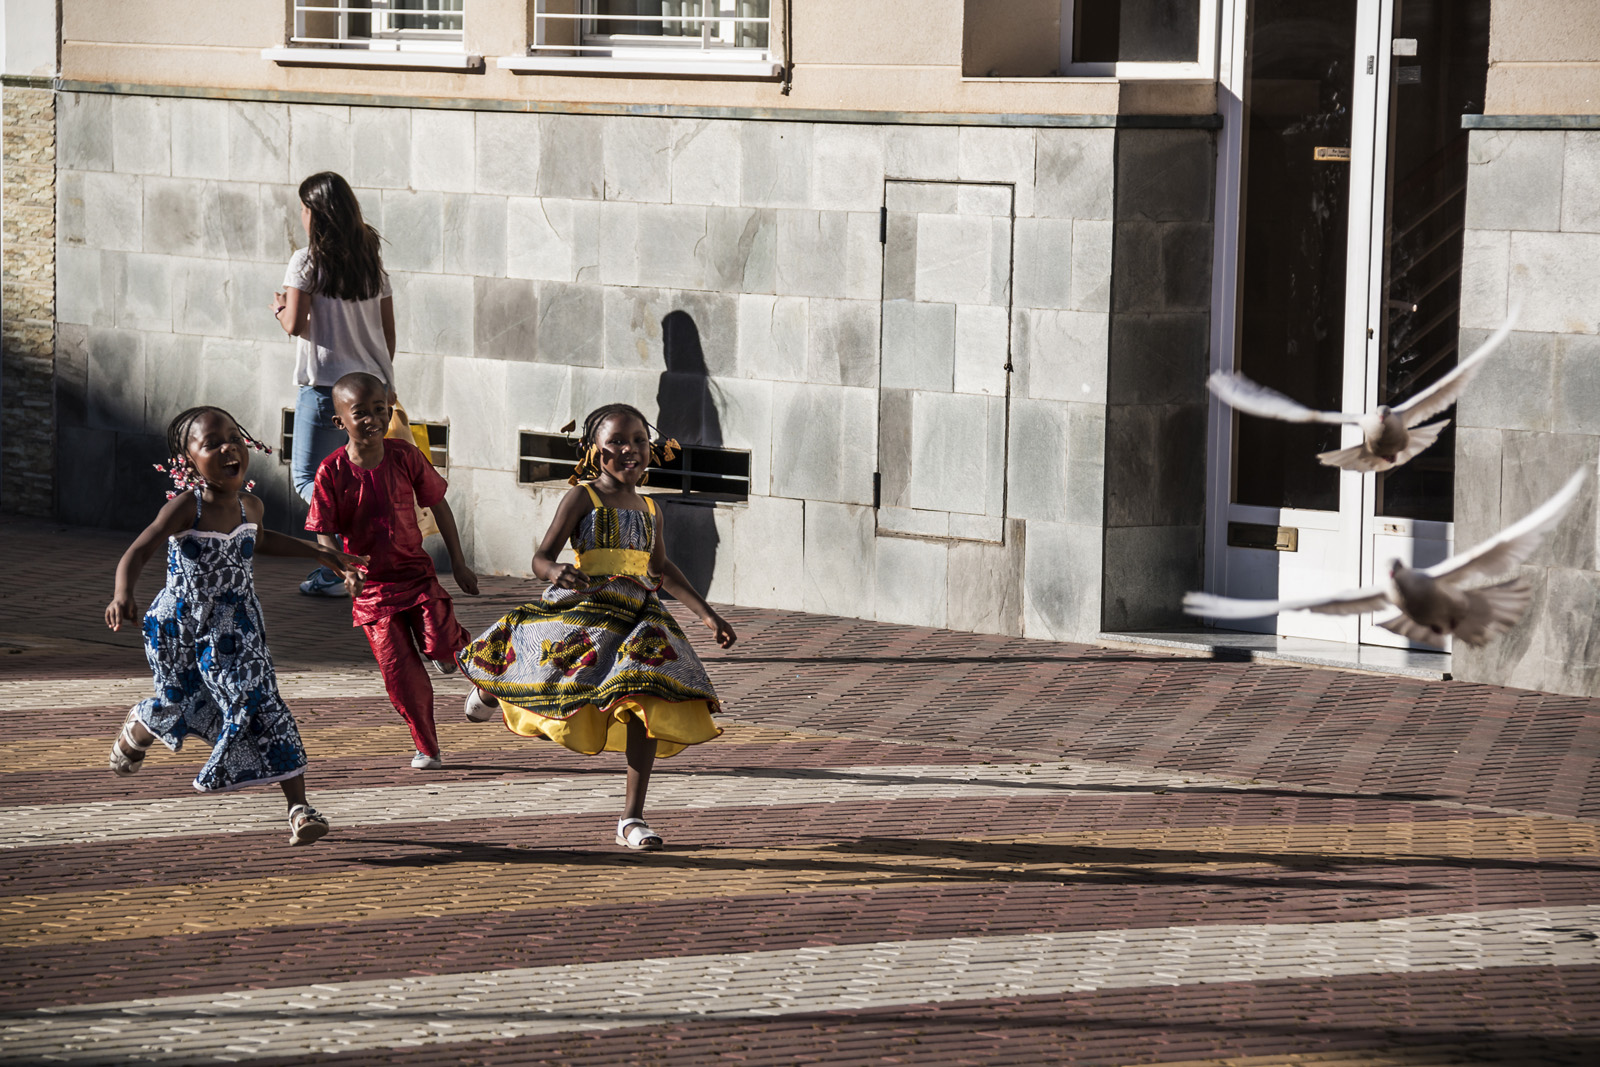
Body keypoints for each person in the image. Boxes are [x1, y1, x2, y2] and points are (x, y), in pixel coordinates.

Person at [458, 403, 736, 851]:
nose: (630, 451)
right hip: (585, 606)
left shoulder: (651, 508)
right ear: (593, 450)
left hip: (637, 619)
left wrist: (707, 615)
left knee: (646, 696)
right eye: (617, 443)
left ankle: (632, 818)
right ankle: (493, 687)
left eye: (639, 441)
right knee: (543, 661)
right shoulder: (582, 497)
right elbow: (540, 557)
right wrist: (555, 573)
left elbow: (661, 570)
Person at [104, 406, 366, 845]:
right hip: (182, 629)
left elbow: (259, 540)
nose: (227, 448)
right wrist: (122, 592)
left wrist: (320, 553)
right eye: (211, 443)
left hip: (237, 628)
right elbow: (141, 548)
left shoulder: (252, 505)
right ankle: (140, 725)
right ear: (189, 461)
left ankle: (299, 809)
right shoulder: (187, 508)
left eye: (233, 438)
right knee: (181, 702)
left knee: (261, 701)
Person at [305, 372, 478, 771]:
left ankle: (457, 654)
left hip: (417, 577)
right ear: (340, 422)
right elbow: (323, 532)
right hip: (373, 592)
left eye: (379, 410)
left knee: (440, 643)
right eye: (360, 413)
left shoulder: (405, 455)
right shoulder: (331, 472)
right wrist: (344, 569)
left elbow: (439, 505)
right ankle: (427, 746)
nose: (372, 420)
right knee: (400, 673)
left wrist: (460, 562)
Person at [272, 170, 396, 598]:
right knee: (359, 474)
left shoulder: (306, 261)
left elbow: (294, 324)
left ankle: (335, 568)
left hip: (326, 388)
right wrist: (382, 383)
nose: (301, 217)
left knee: (309, 479)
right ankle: (356, 560)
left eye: (304, 210)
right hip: (371, 384)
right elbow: (387, 332)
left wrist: (281, 307)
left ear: (316, 214)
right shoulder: (370, 263)